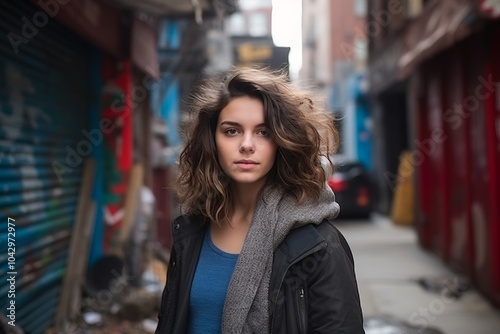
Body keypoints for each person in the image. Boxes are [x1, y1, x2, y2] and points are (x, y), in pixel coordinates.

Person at [155, 66, 364, 334]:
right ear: (212, 141)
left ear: (281, 141)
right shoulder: (192, 231)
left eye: (263, 132)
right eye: (232, 131)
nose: (247, 144)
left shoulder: (319, 246)